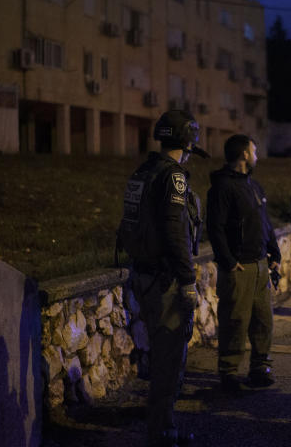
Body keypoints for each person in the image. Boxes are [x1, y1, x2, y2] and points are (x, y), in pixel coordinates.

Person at [116, 109, 208, 447]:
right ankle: (163, 432)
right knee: (169, 359)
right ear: (187, 143)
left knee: (160, 355)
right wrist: (187, 279)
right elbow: (174, 232)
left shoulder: (143, 171)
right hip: (165, 280)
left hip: (142, 274)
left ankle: (159, 424)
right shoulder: (175, 177)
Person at [207, 133, 281, 392]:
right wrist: (228, 262)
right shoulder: (223, 187)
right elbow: (214, 228)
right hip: (240, 267)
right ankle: (228, 373)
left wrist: (274, 255)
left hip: (260, 264)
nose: (257, 156)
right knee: (235, 321)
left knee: (264, 320)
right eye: (254, 151)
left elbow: (265, 223)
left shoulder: (253, 185)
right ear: (244, 155)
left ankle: (260, 368)